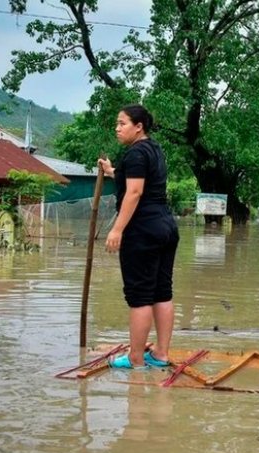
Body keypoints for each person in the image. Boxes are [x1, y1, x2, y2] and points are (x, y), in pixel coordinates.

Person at [98, 104, 179, 369]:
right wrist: (112, 172)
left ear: (138, 126)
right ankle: (161, 354)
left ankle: (135, 359)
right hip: (166, 226)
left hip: (142, 230)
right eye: (116, 124)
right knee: (162, 292)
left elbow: (134, 192)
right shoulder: (153, 149)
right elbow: (137, 179)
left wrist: (117, 229)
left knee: (140, 295)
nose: (117, 129)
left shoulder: (134, 154)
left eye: (122, 123)